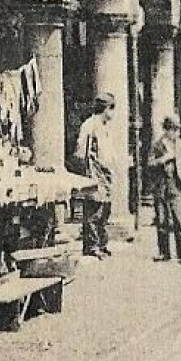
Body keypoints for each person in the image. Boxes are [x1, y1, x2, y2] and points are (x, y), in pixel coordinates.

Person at [147, 115, 181, 264]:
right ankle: (164, 252)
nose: (176, 133)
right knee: (162, 219)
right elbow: (149, 163)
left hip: (177, 184)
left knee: (179, 219)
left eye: (177, 130)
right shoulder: (157, 145)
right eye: (173, 130)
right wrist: (163, 159)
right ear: (166, 130)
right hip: (161, 184)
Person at [76, 93, 119, 258]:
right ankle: (92, 246)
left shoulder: (105, 126)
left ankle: (102, 243)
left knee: (105, 211)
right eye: (112, 108)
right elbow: (82, 151)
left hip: (106, 172)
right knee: (94, 210)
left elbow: (109, 151)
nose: (113, 113)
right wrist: (88, 172)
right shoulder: (90, 125)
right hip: (94, 171)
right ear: (105, 108)